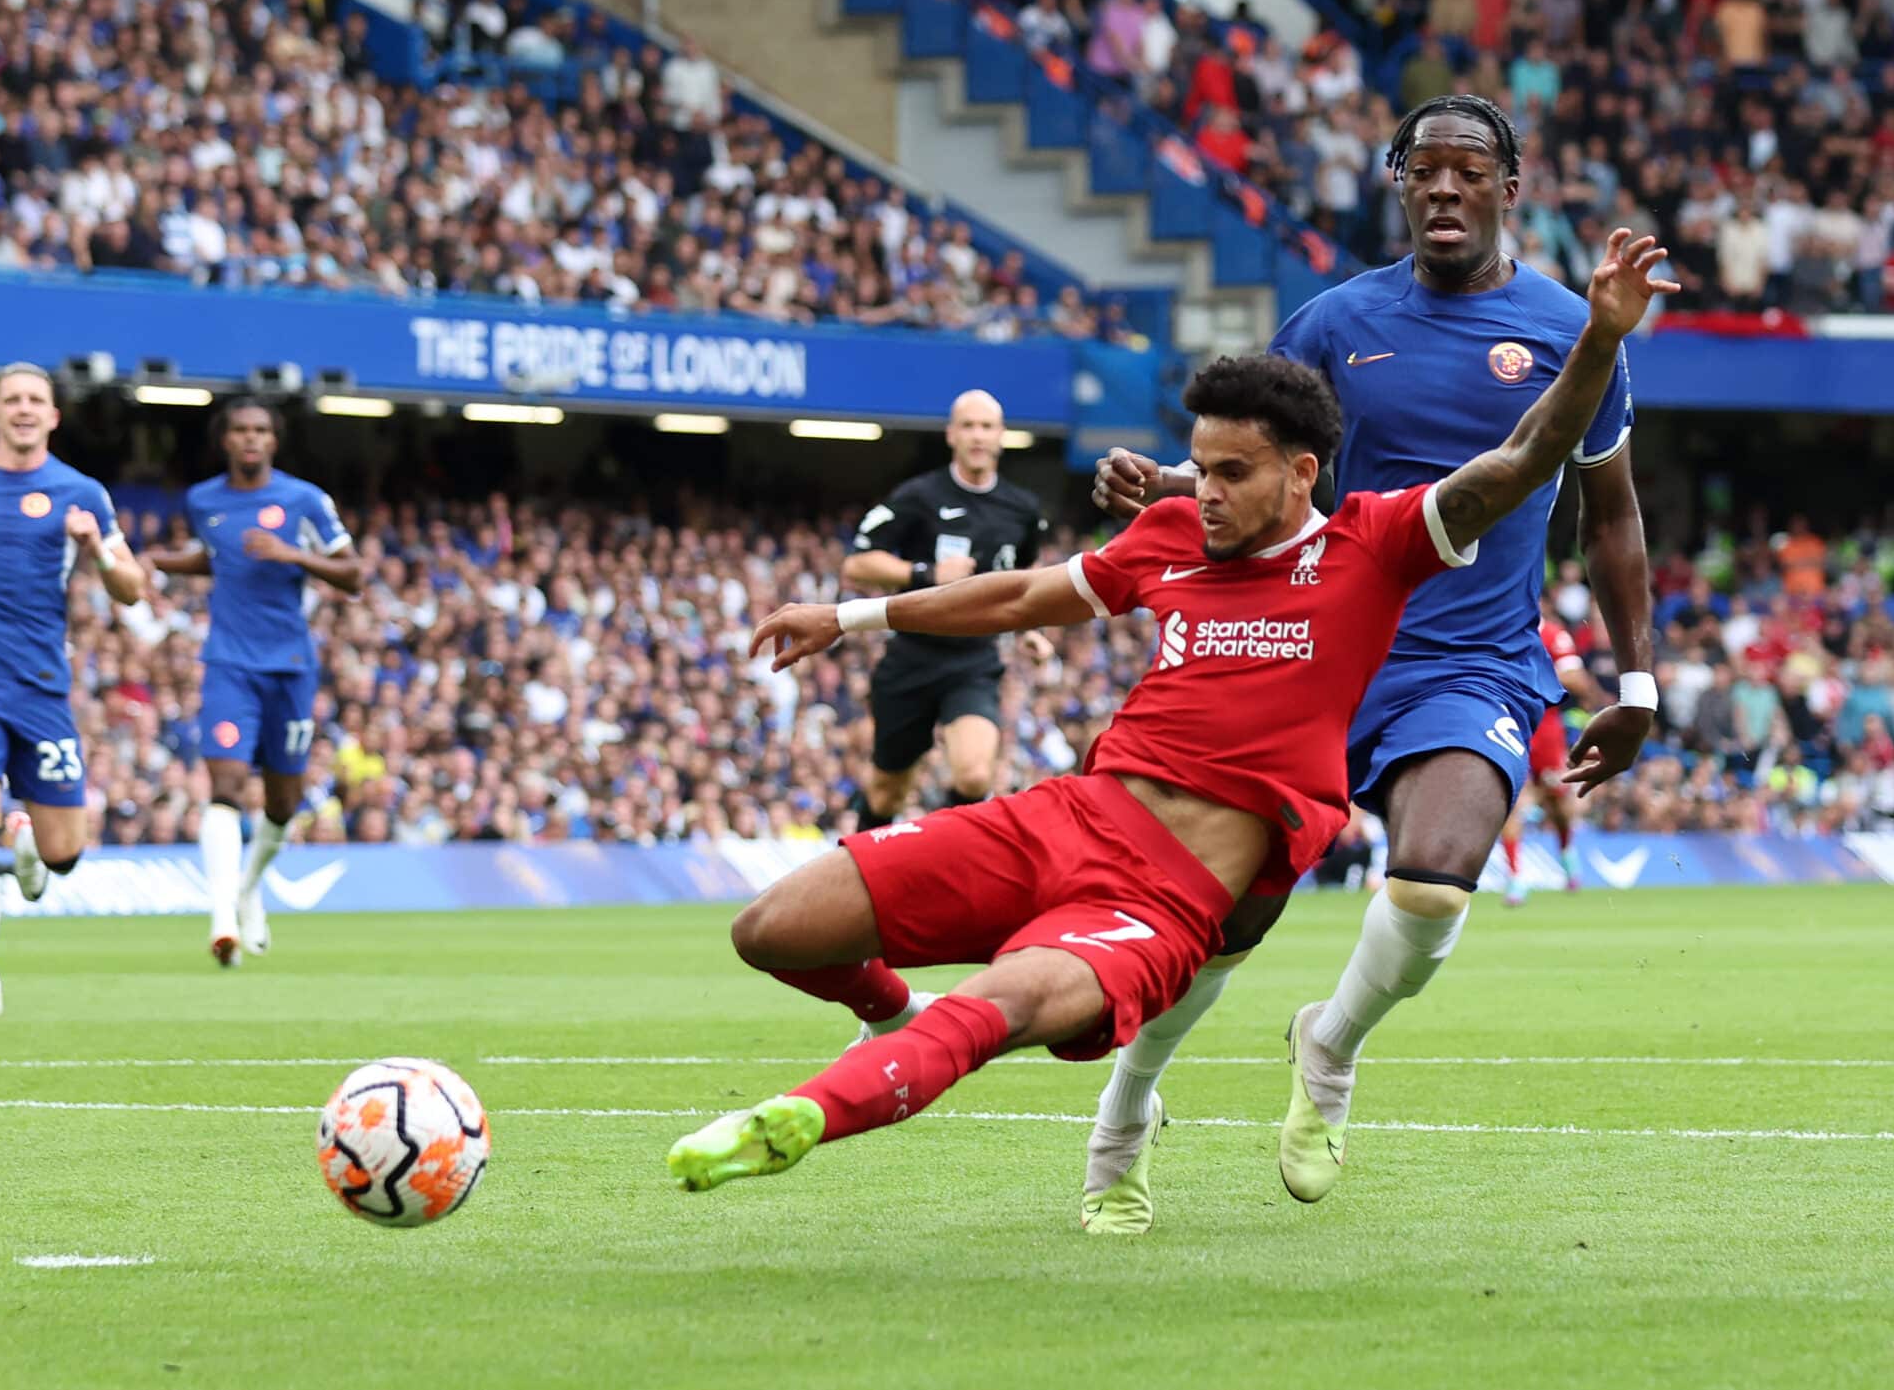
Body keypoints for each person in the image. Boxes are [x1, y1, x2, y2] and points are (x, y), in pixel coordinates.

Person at [665, 227, 1675, 1193]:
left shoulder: (1373, 546)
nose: (1202, 492)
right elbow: (1018, 597)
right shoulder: (1167, 535)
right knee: (772, 929)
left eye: (1228, 475)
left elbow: (1523, 461)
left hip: (1157, 900)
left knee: (996, 1010)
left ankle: (799, 1117)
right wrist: (844, 615)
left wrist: (1596, 336)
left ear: (1301, 472)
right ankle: (891, 1016)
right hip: (1060, 818)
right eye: (1197, 468)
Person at [1082, 94, 1658, 1231]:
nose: (1443, 190)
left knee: (1437, 876)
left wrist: (1635, 684)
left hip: (1472, 661)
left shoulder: (1568, 324)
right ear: (1395, 183)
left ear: (1508, 185)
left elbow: (1612, 516)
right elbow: (1251, 470)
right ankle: (1126, 1111)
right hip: (1312, 654)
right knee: (1218, 921)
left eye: (1466, 171)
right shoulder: (1333, 324)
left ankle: (1329, 1041)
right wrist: (1164, 483)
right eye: (1422, 172)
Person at [141, 399, 363, 966]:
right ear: (225, 440)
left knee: (283, 803)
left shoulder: (303, 499)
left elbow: (354, 573)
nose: (250, 439)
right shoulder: (204, 499)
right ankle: (222, 919)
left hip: (290, 665)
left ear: (274, 440)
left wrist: (292, 553)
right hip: (228, 663)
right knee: (225, 784)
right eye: (240, 430)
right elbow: (217, 558)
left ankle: (247, 890)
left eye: (260, 430)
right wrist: (161, 560)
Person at [0, 363, 145, 1017]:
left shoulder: (81, 492)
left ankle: (30, 852)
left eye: (34, 400)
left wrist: (96, 550)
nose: (22, 408)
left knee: (62, 852)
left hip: (41, 686)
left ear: (53, 416)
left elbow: (131, 587)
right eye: (10, 399)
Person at [843, 389, 1049, 831]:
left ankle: (944, 865)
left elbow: (1025, 575)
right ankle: (863, 881)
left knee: (975, 774)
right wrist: (926, 573)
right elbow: (857, 562)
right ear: (951, 434)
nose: (978, 435)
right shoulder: (919, 495)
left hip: (974, 660)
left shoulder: (1023, 510)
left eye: (987, 426)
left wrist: (1031, 627)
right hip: (912, 657)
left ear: (1001, 436)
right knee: (886, 792)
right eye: (968, 426)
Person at [1501, 611, 1604, 905]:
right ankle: (1515, 877)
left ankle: (1567, 854)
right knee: (1508, 800)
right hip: (1506, 724)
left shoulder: (1553, 634)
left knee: (1556, 800)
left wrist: (1531, 674)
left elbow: (1579, 682)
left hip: (1545, 731)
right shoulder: (1498, 625)